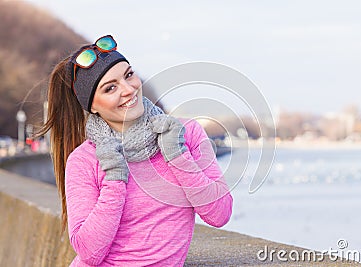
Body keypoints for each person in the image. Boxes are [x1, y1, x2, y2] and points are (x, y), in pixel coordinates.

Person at [38, 35, 233, 266]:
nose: (128, 89)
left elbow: (219, 214)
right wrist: (114, 180)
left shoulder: (184, 133)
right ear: (92, 106)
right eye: (110, 88)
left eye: (128, 75)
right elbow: (89, 253)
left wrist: (179, 157)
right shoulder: (85, 159)